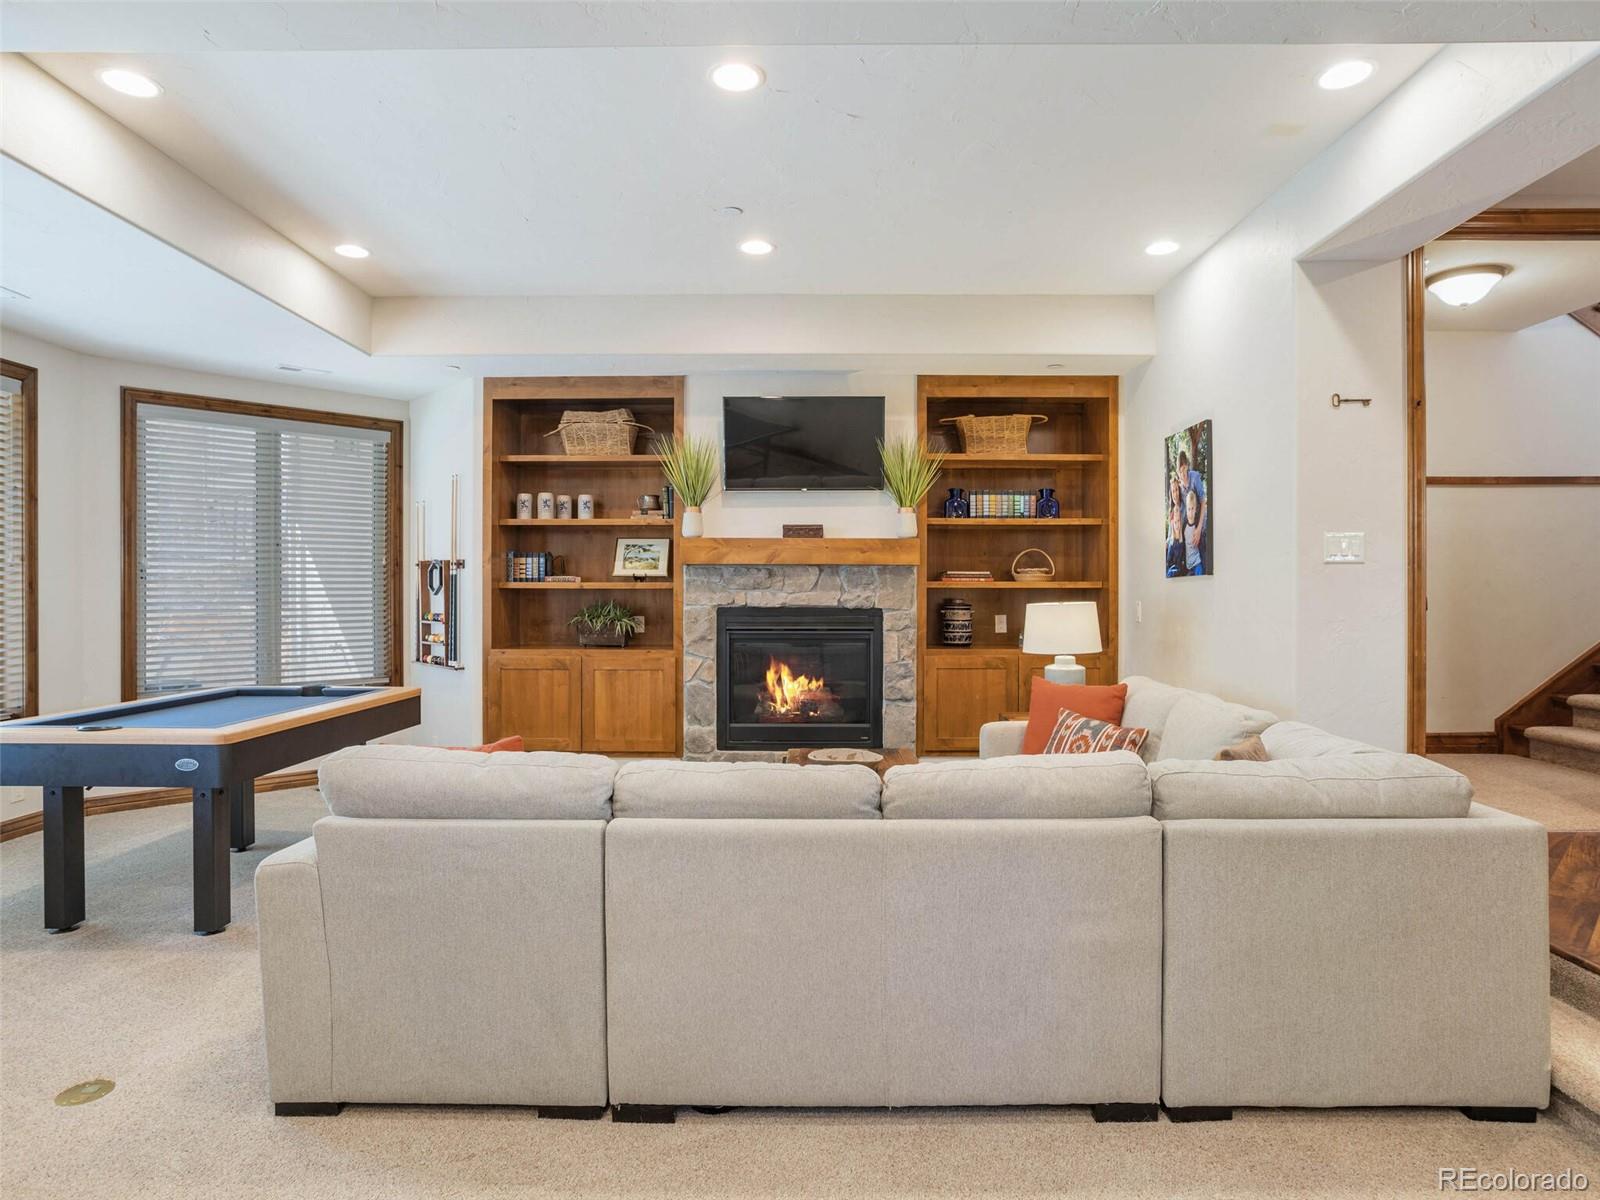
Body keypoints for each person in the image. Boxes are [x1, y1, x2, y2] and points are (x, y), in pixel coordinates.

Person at [1165, 472, 1185, 576]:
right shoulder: (1171, 511)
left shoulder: (1183, 508)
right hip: (1172, 544)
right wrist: (1166, 543)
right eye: (1173, 491)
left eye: (1177, 490)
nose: (1175, 493)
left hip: (1181, 545)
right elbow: (1170, 536)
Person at [1183, 486, 1205, 576]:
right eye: (1189, 509)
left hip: (1197, 563)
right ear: (1186, 509)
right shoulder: (1184, 526)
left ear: (1195, 509)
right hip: (1188, 565)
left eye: (1192, 508)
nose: (1191, 512)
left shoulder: (1197, 526)